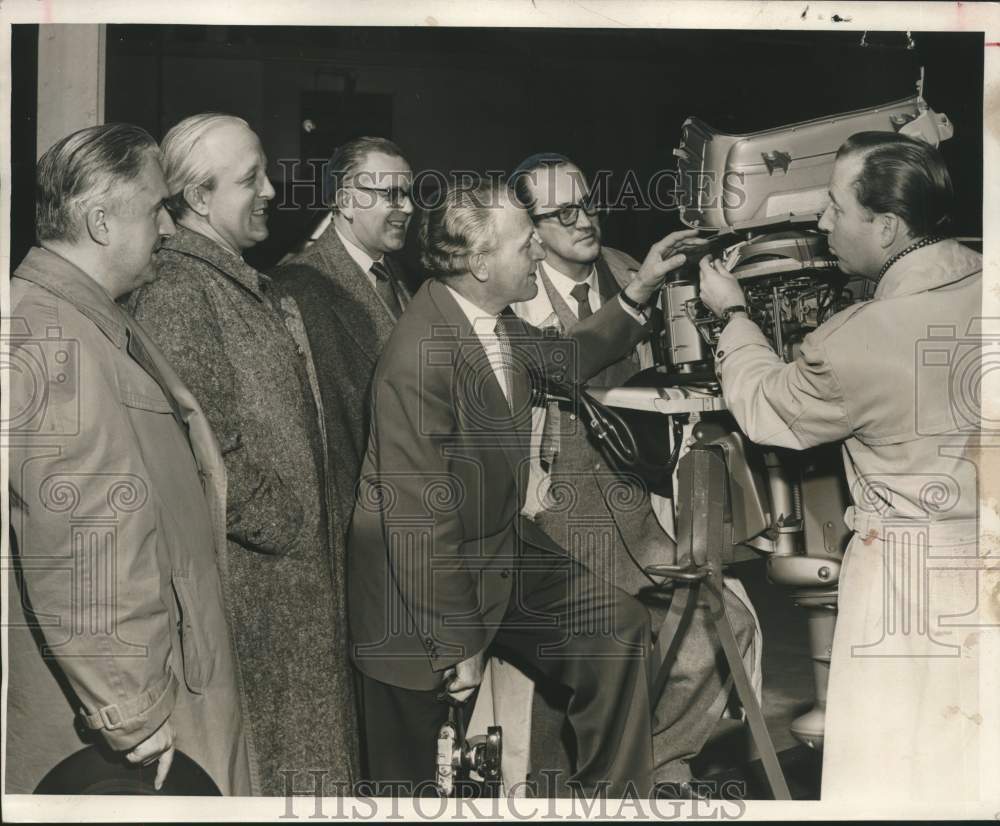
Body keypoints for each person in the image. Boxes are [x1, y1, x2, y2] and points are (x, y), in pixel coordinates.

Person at [349, 178, 702, 797]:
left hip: (497, 551)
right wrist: (453, 639)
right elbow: (416, 516)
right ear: (480, 262)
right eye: (526, 243)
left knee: (616, 631)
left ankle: (611, 805)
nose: (540, 252)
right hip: (419, 592)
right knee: (415, 790)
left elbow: (566, 360)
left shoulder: (491, 320)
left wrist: (640, 289)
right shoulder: (420, 356)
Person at [699, 131, 997, 803]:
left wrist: (734, 316)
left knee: (888, 771)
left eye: (835, 207)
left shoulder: (856, 340)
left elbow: (767, 408)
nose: (821, 221)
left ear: (887, 225)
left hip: (903, 584)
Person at [6, 123, 253, 795]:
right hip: (135, 733)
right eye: (157, 208)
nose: (171, 228)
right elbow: (84, 535)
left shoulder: (83, 320)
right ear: (99, 220)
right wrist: (132, 709)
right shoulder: (52, 336)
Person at [507, 153, 758, 795]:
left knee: (722, 625)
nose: (583, 219)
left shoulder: (628, 266)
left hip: (642, 511)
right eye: (562, 212)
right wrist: (639, 294)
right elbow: (556, 365)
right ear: (528, 230)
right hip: (560, 521)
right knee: (588, 667)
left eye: (588, 201)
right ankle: (568, 792)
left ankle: (649, 767)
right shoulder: (511, 289)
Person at [128, 113, 358, 795]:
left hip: (288, 594)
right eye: (249, 178)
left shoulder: (231, 279)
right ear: (196, 198)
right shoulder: (178, 290)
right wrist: (288, 528)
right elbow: (206, 449)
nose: (270, 190)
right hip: (261, 599)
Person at [270, 136, 413, 585]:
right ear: (347, 200)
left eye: (409, 193)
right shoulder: (300, 286)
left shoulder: (396, 277)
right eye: (392, 194)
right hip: (356, 533)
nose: (407, 207)